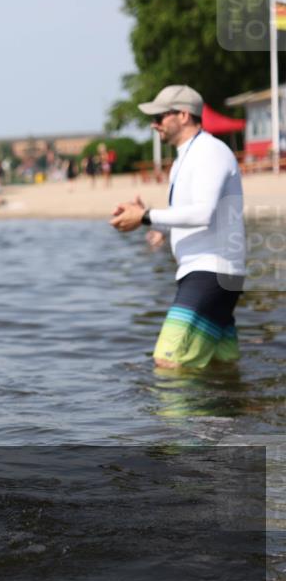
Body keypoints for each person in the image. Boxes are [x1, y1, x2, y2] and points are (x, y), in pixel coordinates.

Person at [110, 84, 246, 370]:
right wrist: (161, 227)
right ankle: (237, 409)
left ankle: (178, 417)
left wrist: (147, 215)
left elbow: (204, 213)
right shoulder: (185, 157)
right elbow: (194, 210)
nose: (154, 124)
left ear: (184, 115)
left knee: (167, 361)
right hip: (205, 271)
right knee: (220, 366)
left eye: (160, 117)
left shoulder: (210, 151)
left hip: (212, 271)